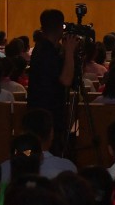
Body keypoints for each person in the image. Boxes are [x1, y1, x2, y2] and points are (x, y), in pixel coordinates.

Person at [27, 9, 80, 157]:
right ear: (60, 27)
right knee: (49, 153)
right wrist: (69, 52)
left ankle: (33, 165)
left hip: (39, 110)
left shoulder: (42, 47)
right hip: (49, 115)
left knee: (35, 152)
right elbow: (66, 80)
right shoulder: (47, 51)